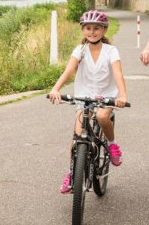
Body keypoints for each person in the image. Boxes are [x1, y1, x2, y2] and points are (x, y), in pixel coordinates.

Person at [48, 10, 128, 194]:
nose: (92, 32)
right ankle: (71, 173)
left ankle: (112, 143)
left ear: (104, 30)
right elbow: (69, 70)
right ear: (83, 30)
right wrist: (56, 88)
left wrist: (122, 96)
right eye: (88, 28)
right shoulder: (80, 50)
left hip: (106, 96)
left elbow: (117, 73)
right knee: (77, 137)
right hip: (84, 96)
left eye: (96, 29)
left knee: (101, 116)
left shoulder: (111, 51)